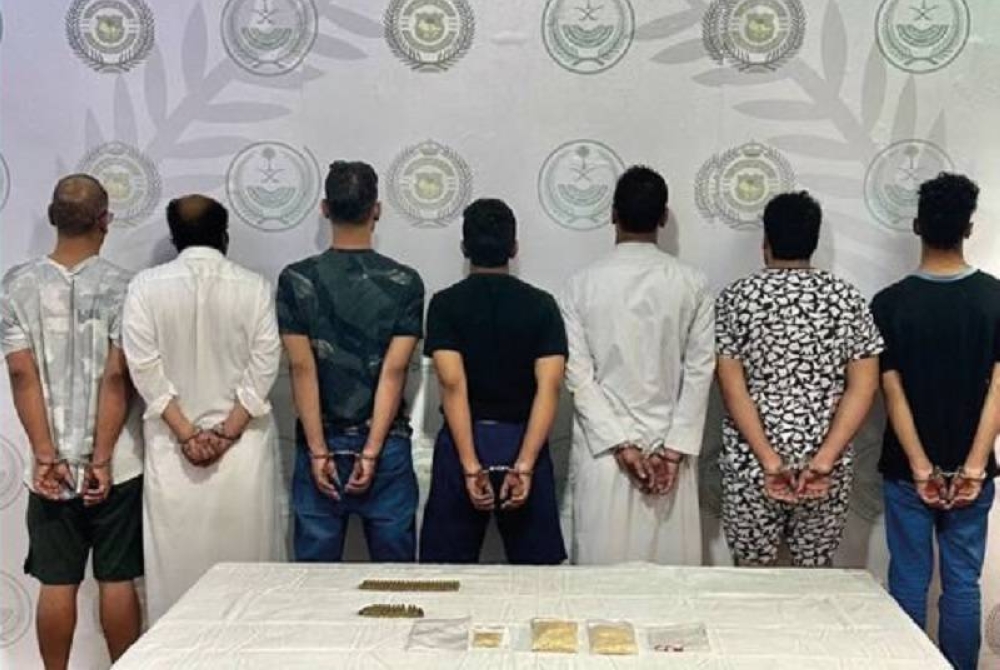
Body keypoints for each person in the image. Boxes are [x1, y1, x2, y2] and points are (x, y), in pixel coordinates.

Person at [0, 175, 144, 669]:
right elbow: (117, 377)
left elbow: (21, 374)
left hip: (49, 468)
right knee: (117, 578)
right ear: (105, 221)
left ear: (51, 217)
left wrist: (46, 455)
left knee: (56, 582)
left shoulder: (16, 285)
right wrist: (100, 458)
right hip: (117, 463)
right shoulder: (127, 287)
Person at [121, 195, 284, 623]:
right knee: (249, 585)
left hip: (174, 453)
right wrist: (227, 432)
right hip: (242, 452)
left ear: (174, 238)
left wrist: (187, 434)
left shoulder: (145, 287)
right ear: (225, 237)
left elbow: (144, 367)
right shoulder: (254, 286)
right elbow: (264, 364)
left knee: (176, 580)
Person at [871, 173, 999, 670]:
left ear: (917, 225)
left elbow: (892, 392)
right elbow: (998, 391)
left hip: (907, 472)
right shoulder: (995, 299)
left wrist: (921, 466)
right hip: (973, 474)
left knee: (908, 578)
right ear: (969, 228)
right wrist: (973, 467)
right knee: (963, 584)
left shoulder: (889, 304)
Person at [715, 191, 883, 567]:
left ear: (766, 242)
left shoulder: (735, 299)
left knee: (751, 576)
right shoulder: (847, 299)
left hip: (751, 464)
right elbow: (863, 386)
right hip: (825, 468)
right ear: (814, 240)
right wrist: (824, 459)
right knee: (814, 576)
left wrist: (768, 460)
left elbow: (731, 387)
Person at [560, 165, 715, 565]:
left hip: (604, 453)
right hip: (669, 456)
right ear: (663, 218)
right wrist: (673, 451)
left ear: (612, 214)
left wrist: (622, 444)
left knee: (601, 581)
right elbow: (700, 372)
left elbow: (579, 376)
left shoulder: (580, 285)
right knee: (672, 582)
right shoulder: (692, 283)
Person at [278, 161, 424, 562]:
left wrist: (318, 451)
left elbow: (302, 368)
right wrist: (372, 450)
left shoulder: (296, 280)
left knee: (315, 581)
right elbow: (394, 371)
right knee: (395, 581)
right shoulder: (406, 282)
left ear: (325, 209)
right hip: (387, 445)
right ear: (376, 210)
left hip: (319, 443)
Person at [419, 199, 568, 564]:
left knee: (446, 572)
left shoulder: (444, 304)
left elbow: (452, 384)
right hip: (524, 439)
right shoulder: (542, 305)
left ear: (464, 248)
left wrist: (470, 465)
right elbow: (550, 386)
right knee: (537, 577)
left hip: (462, 441)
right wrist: (525, 464)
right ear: (514, 248)